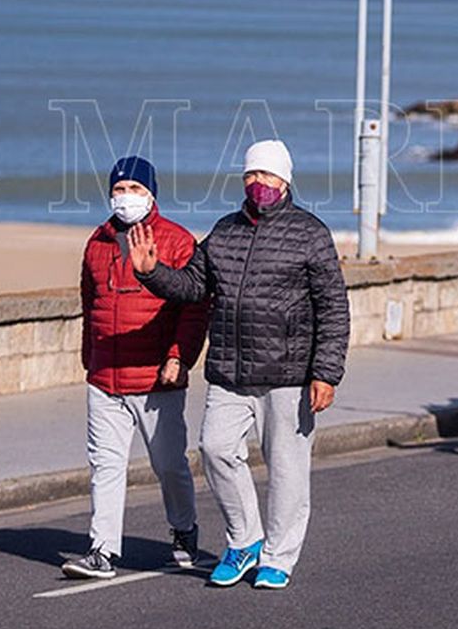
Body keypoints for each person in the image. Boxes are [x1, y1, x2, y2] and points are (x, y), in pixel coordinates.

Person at [131, 139, 349, 591]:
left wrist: (326, 373)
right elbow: (194, 285)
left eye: (266, 175)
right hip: (229, 371)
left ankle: (278, 556)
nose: (257, 183)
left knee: (286, 469)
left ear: (285, 180)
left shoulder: (310, 233)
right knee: (215, 449)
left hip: (288, 374)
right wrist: (151, 272)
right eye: (251, 175)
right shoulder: (225, 231)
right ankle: (245, 540)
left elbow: (333, 307)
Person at [62, 156, 208, 580]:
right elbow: (90, 305)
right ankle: (102, 551)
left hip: (155, 380)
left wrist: (179, 357)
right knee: (105, 465)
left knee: (169, 465)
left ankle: (183, 531)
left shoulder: (178, 242)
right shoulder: (98, 242)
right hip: (105, 378)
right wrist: (90, 357)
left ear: (151, 194)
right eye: (119, 189)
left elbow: (194, 309)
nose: (125, 197)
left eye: (135, 189)